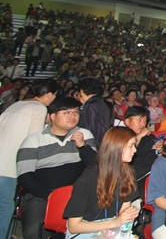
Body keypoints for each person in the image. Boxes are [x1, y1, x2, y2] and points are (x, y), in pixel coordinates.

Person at [17, 96, 98, 239]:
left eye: (75, 112)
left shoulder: (84, 135)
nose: (73, 116)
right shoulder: (34, 140)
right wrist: (50, 196)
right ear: (52, 116)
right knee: (32, 231)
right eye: (66, 113)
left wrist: (82, 146)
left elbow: (95, 166)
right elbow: (25, 176)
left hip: (77, 193)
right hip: (42, 194)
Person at [0, 79, 59, 238]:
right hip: (8, 165)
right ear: (48, 95)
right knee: (5, 205)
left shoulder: (16, 104)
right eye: (54, 95)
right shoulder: (39, 108)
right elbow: (34, 139)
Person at [63, 127, 140, 238]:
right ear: (117, 148)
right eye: (131, 146)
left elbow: (124, 210)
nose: (135, 150)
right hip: (86, 232)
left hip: (112, 230)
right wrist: (115, 222)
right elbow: (74, 227)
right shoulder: (86, 181)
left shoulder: (128, 173)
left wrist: (129, 213)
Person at [123, 106, 162, 197]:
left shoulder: (149, 137)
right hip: (130, 175)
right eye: (139, 120)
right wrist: (138, 136)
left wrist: (159, 150)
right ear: (127, 122)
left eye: (145, 120)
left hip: (149, 173)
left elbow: (155, 156)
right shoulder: (120, 136)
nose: (143, 124)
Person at [78, 77, 113, 148]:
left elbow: (89, 129)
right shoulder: (101, 102)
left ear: (82, 91)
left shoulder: (90, 105)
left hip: (93, 144)